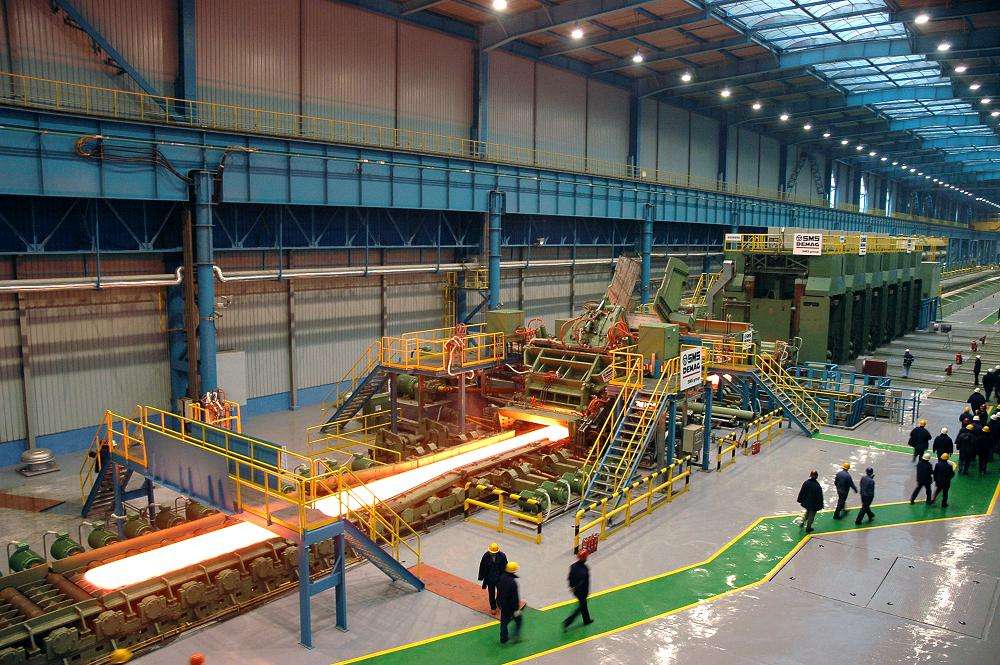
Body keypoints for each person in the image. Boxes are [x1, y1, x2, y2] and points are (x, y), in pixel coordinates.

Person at [562, 551, 593, 631]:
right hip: (582, 591)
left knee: (583, 605)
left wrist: (572, 587)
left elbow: (569, 578)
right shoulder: (584, 570)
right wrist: (579, 589)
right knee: (581, 606)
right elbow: (583, 582)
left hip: (576, 591)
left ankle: (587, 620)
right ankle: (567, 622)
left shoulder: (573, 566)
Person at [497, 561, 523, 644]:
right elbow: (515, 598)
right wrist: (516, 609)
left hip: (502, 604)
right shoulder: (513, 583)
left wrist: (499, 602)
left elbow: (499, 591)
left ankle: (503, 638)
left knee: (504, 622)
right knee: (519, 620)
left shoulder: (501, 578)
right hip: (511, 607)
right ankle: (516, 635)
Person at [478, 542, 508, 616]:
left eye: (494, 553)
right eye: (491, 552)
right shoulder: (486, 556)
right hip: (490, 579)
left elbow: (506, 566)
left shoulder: (502, 556)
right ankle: (493, 607)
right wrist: (481, 577)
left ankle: (498, 602)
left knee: (501, 592)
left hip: (499, 578)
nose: (493, 554)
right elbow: (482, 567)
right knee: (491, 593)